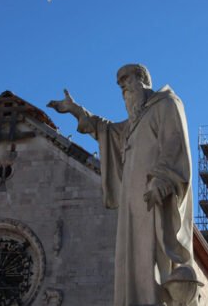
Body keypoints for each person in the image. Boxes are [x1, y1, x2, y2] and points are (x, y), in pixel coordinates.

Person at [48, 64, 196, 306]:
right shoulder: (132, 125)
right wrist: (76, 110)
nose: (122, 87)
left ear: (143, 79)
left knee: (152, 257)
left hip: (154, 196)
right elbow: (103, 129)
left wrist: (163, 178)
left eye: (126, 80)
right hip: (131, 204)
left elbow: (174, 141)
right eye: (119, 84)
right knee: (131, 260)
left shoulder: (167, 104)